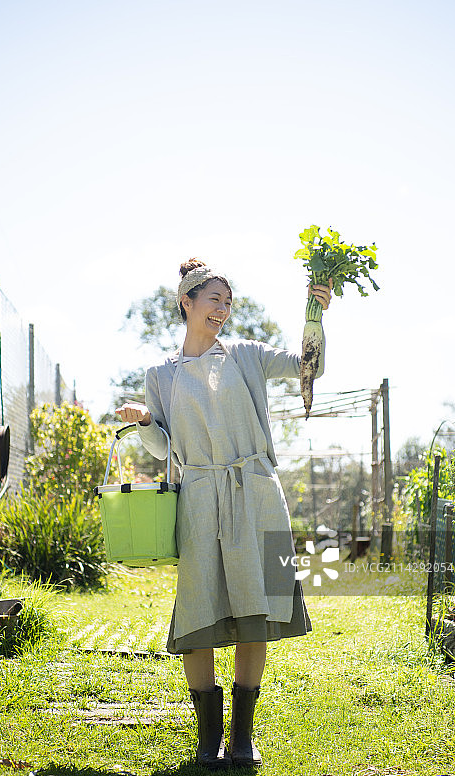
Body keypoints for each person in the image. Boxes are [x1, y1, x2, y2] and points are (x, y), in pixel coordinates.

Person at [116, 259, 332, 770]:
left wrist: (316, 316)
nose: (223, 310)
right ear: (186, 303)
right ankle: (207, 738)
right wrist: (147, 419)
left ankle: (242, 737)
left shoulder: (248, 355)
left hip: (256, 489)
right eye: (214, 300)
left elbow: (310, 365)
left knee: (256, 605)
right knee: (199, 609)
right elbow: (162, 447)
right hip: (199, 496)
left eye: (228, 303)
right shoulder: (160, 375)